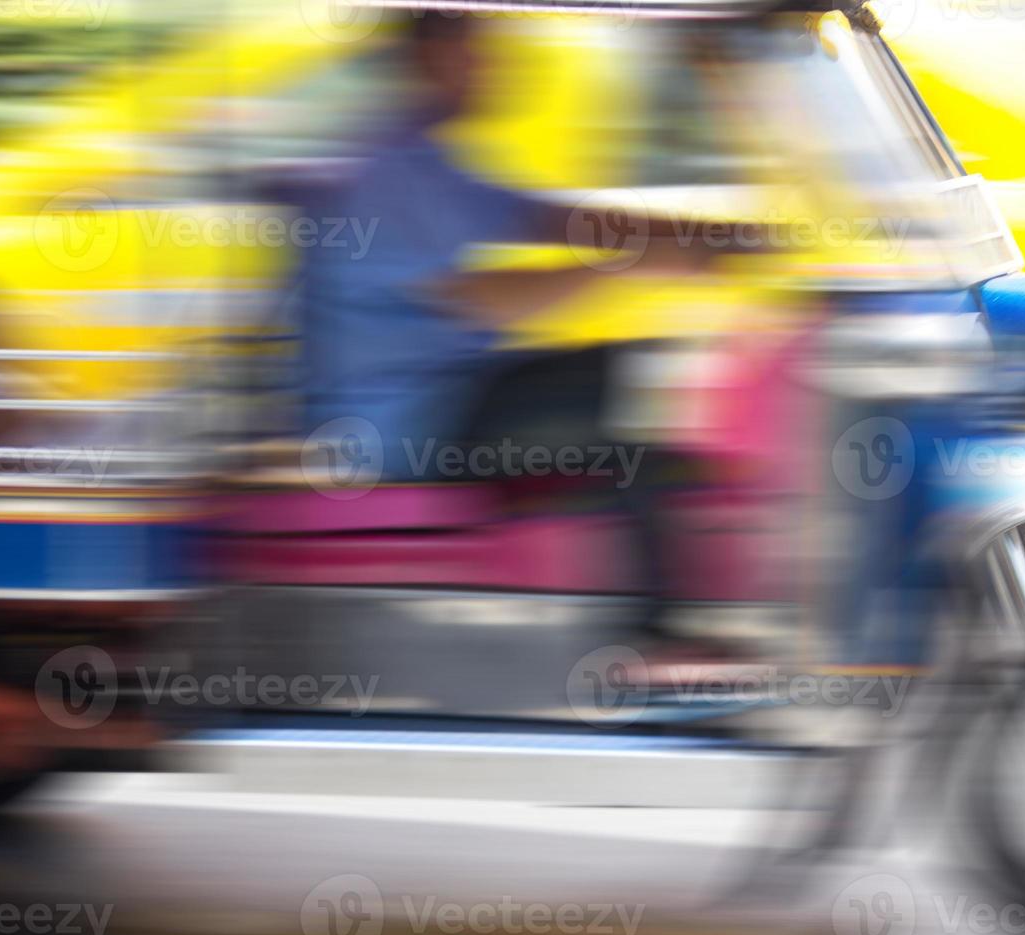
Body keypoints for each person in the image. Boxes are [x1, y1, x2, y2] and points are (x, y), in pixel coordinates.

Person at [299, 13, 748, 648]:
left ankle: (665, 607)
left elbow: (551, 220)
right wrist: (630, 263)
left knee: (620, 383)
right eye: (476, 49)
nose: (495, 64)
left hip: (450, 397)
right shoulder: (392, 179)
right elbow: (488, 300)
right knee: (622, 411)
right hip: (409, 428)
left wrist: (712, 238)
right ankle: (657, 642)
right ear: (432, 57)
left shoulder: (425, 163)